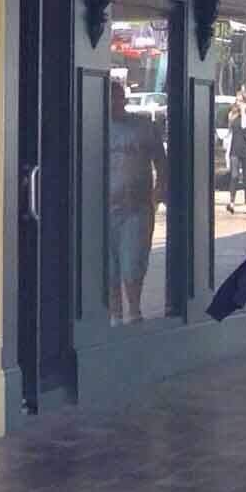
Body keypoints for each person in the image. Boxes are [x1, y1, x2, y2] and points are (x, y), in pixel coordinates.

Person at [105, 68, 160, 322]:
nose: (114, 103)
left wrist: (159, 193)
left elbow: (162, 162)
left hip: (136, 206)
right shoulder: (93, 128)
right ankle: (115, 314)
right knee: (109, 265)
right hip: (103, 207)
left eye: (117, 97)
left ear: (124, 99)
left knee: (133, 261)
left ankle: (134, 310)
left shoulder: (143, 128)